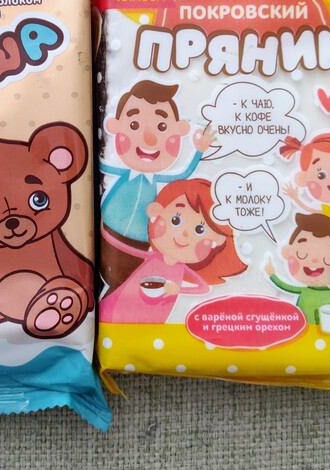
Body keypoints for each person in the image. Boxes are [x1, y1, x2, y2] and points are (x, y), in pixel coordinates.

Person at [100, 80, 214, 291]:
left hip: (140, 238)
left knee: (126, 280)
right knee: (108, 274)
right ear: (115, 126)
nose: (149, 139)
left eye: (162, 127)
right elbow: (101, 165)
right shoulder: (121, 171)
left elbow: (183, 174)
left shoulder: (156, 179)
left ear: (179, 131)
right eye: (134, 125)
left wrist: (198, 150)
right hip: (109, 231)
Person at [100, 178, 247, 324]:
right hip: (131, 295)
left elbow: (202, 287)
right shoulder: (155, 257)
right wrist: (104, 233)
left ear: (217, 240)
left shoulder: (181, 268)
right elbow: (129, 250)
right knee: (118, 309)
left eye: (199, 230)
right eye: (175, 220)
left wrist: (177, 289)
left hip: (160, 306)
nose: (185, 234)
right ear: (157, 211)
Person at [281, 115, 330, 276]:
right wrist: (296, 198)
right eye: (321, 175)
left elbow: (314, 211)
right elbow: (314, 211)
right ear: (304, 179)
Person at [265, 213, 330, 325]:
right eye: (302, 254)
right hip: (305, 328)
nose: (314, 260)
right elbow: (285, 286)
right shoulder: (305, 291)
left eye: (328, 260)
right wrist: (272, 274)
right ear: (287, 252)